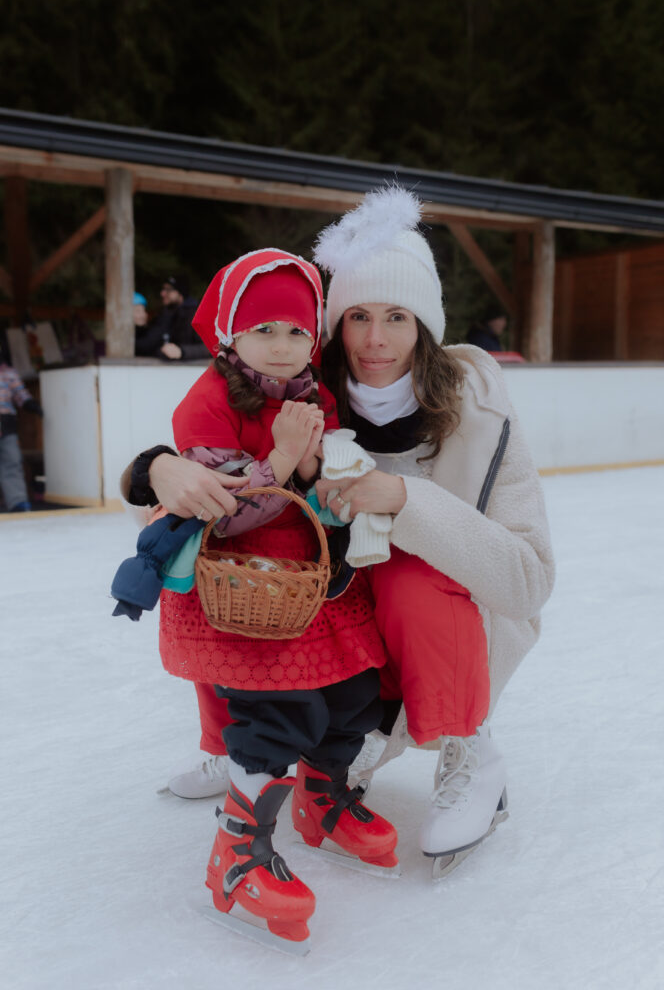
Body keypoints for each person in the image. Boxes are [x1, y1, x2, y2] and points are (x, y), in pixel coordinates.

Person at [127, 187, 554, 879]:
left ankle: (469, 747)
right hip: (326, 609)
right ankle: (234, 745)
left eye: (396, 317)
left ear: (425, 324)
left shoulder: (480, 412)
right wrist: (155, 468)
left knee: (408, 574)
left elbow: (529, 581)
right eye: (357, 316)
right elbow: (212, 457)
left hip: (446, 625)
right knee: (223, 577)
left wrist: (406, 501)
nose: (375, 340)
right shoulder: (299, 381)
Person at [127, 248, 398, 948]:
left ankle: (321, 798)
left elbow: (325, 490)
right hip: (243, 581)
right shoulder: (207, 401)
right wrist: (280, 459)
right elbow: (221, 515)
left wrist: (317, 468)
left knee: (354, 693)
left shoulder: (316, 396)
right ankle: (236, 852)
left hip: (312, 578)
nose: (282, 346)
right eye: (264, 330)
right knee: (282, 710)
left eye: (297, 331)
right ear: (230, 334)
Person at [0, 355, 43, 511]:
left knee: (12, 460)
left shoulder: (8, 373)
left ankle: (17, 501)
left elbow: (20, 394)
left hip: (6, 422)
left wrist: (31, 404)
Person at [153, 275, 208, 361]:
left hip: (191, 367)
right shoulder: (167, 312)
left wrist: (182, 351)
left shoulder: (196, 314)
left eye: (168, 290)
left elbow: (209, 347)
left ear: (180, 292)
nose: (162, 293)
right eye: (163, 289)